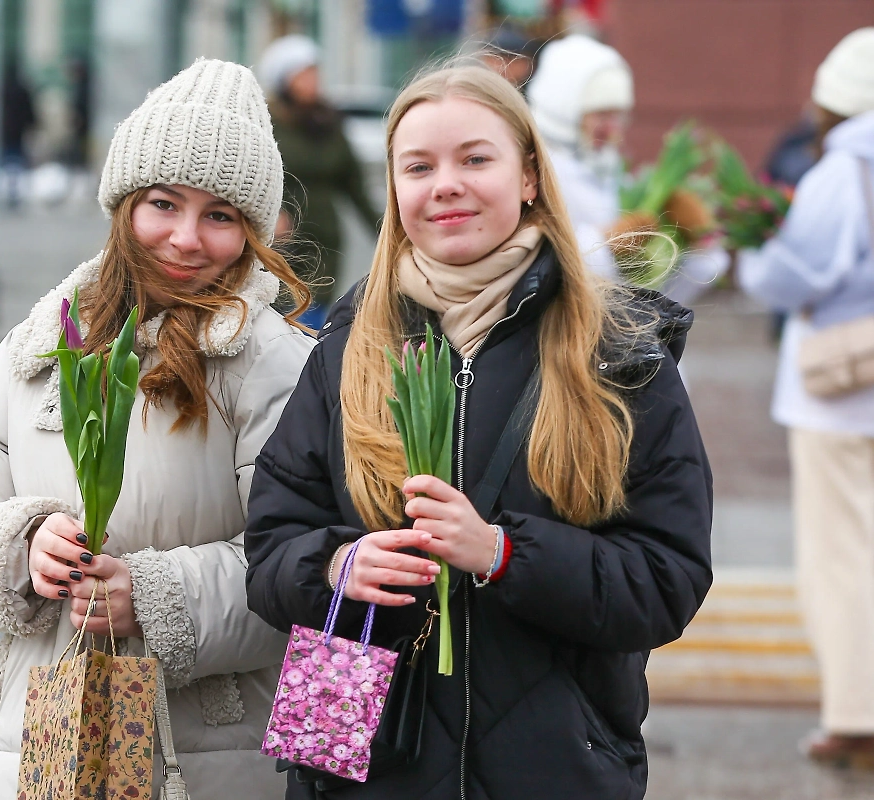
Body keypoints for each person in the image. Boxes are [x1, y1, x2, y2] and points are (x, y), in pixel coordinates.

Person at [245, 61, 713, 799]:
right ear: (396, 188)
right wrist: (336, 565)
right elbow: (270, 550)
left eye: (475, 159)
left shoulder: (619, 355)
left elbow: (667, 581)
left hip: (558, 770)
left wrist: (501, 553)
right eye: (418, 166)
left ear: (529, 176)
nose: (446, 185)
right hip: (367, 771)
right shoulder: (346, 350)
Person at [0, 59, 316, 799]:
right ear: (124, 202)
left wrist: (159, 595)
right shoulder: (42, 342)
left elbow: (306, 567)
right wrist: (22, 548)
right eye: (164, 203)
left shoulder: (276, 365)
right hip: (43, 742)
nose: (187, 238)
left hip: (212, 757)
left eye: (220, 215)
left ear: (253, 231)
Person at [737, 27, 874, 770]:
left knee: (843, 554)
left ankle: (856, 714)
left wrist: (759, 254)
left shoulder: (844, 171)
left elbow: (799, 276)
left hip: (840, 388)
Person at [527, 34, 727, 306]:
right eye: (600, 114)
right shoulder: (532, 172)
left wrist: (700, 246)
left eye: (617, 115)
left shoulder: (610, 171)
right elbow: (531, 268)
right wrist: (602, 245)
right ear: (564, 109)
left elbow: (647, 299)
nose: (612, 129)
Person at [259, 35, 382, 330]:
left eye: (315, 72)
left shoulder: (328, 122)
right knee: (282, 316)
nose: (313, 80)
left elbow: (354, 185)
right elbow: (252, 176)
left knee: (317, 313)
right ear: (284, 80)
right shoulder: (267, 122)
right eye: (304, 73)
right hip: (283, 241)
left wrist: (386, 231)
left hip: (325, 240)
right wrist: (268, 213)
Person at [0, 58, 38, 210]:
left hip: (2, 131)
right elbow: (29, 111)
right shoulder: (22, 89)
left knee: (5, 161)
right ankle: (13, 193)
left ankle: (6, 192)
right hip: (17, 131)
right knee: (16, 161)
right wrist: (32, 124)